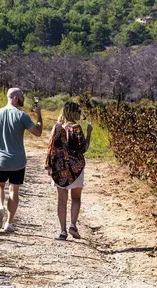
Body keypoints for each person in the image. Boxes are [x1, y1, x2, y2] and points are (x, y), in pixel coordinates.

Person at [0, 88, 43, 234]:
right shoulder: (22, 116)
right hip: (18, 161)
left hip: (1, 160)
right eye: (21, 96)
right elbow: (38, 132)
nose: (22, 99)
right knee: (13, 191)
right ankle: (9, 223)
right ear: (15, 98)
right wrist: (39, 115)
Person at [44, 101, 91, 240]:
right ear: (75, 112)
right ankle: (73, 225)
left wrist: (49, 165)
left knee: (61, 200)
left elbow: (50, 147)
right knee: (76, 198)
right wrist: (89, 134)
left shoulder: (57, 127)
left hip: (60, 168)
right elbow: (84, 149)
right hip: (76, 167)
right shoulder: (76, 128)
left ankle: (62, 231)